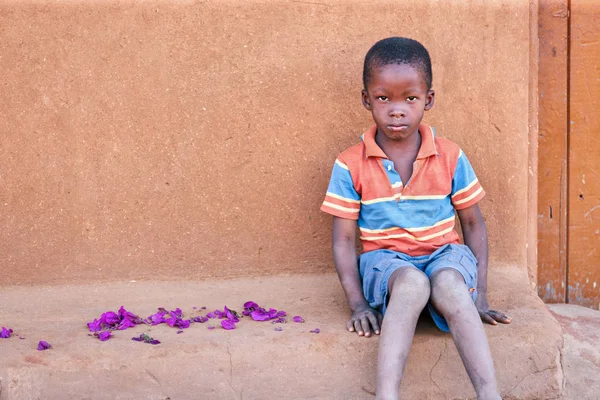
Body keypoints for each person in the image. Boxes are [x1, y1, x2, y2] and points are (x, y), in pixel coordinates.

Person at [320, 37, 511, 400]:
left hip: (444, 256)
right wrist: (358, 304)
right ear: (366, 100)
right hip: (387, 262)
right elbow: (343, 239)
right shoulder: (350, 163)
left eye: (410, 98)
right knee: (411, 285)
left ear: (429, 100)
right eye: (383, 98)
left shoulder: (450, 156)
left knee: (452, 288)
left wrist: (480, 295)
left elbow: (472, 224)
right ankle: (386, 396)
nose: (396, 110)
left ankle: (490, 395)